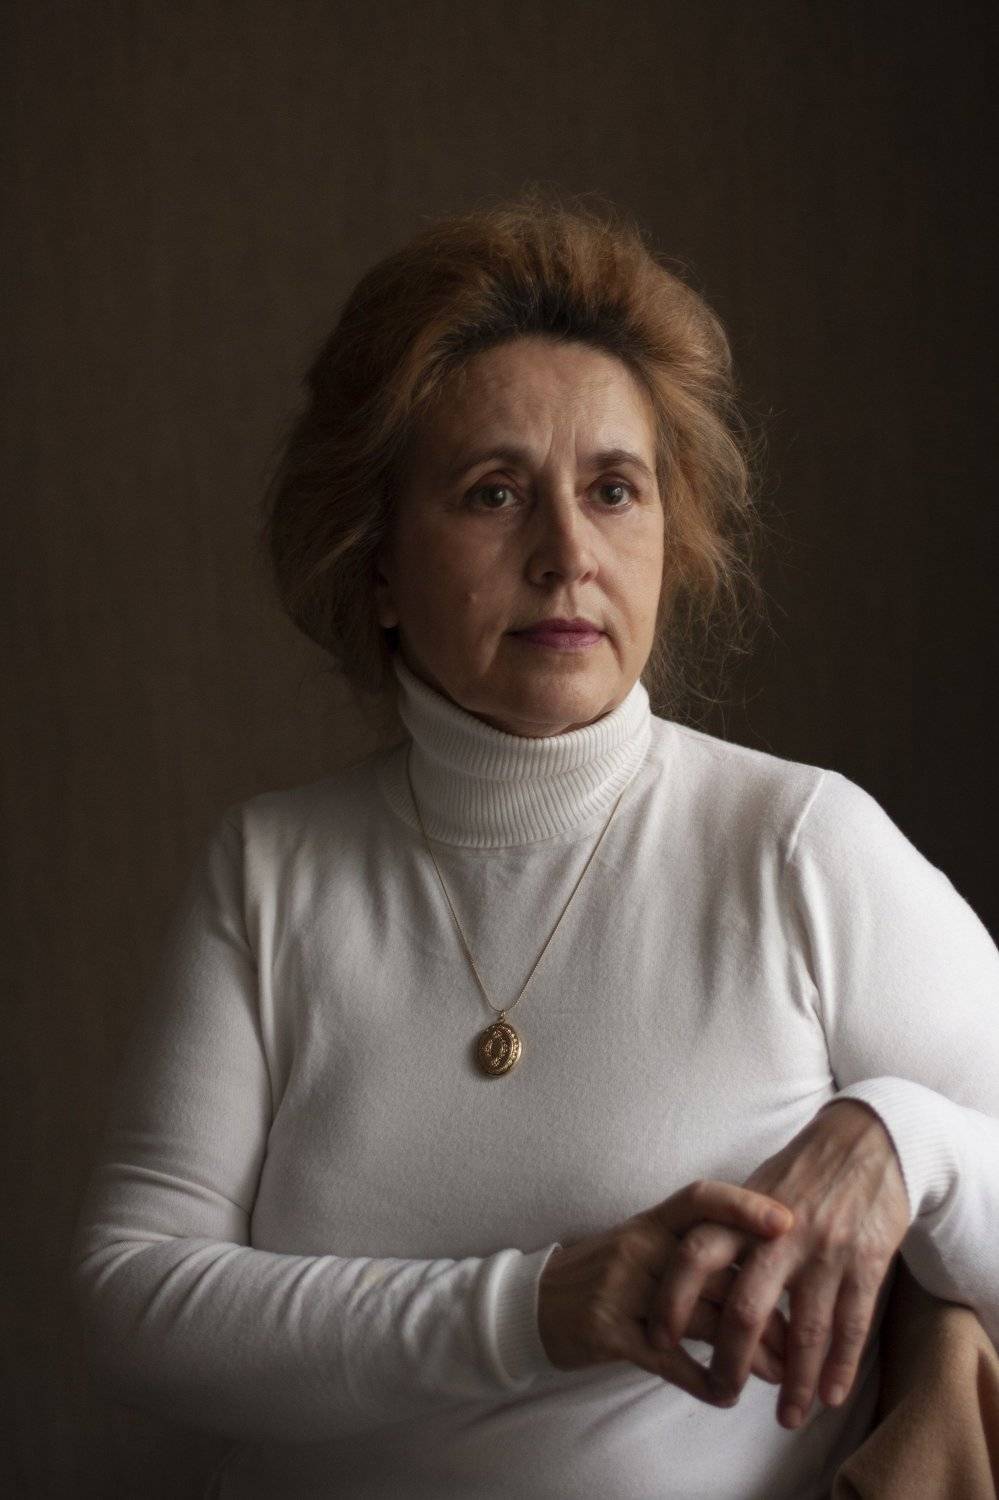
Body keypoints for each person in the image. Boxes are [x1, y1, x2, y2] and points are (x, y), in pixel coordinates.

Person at [70, 195, 999, 1500]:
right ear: (377, 562)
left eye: (614, 491)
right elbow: (134, 1297)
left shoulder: (800, 847)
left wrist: (911, 1143)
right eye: (494, 494)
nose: (568, 555)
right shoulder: (269, 872)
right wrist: (533, 1310)